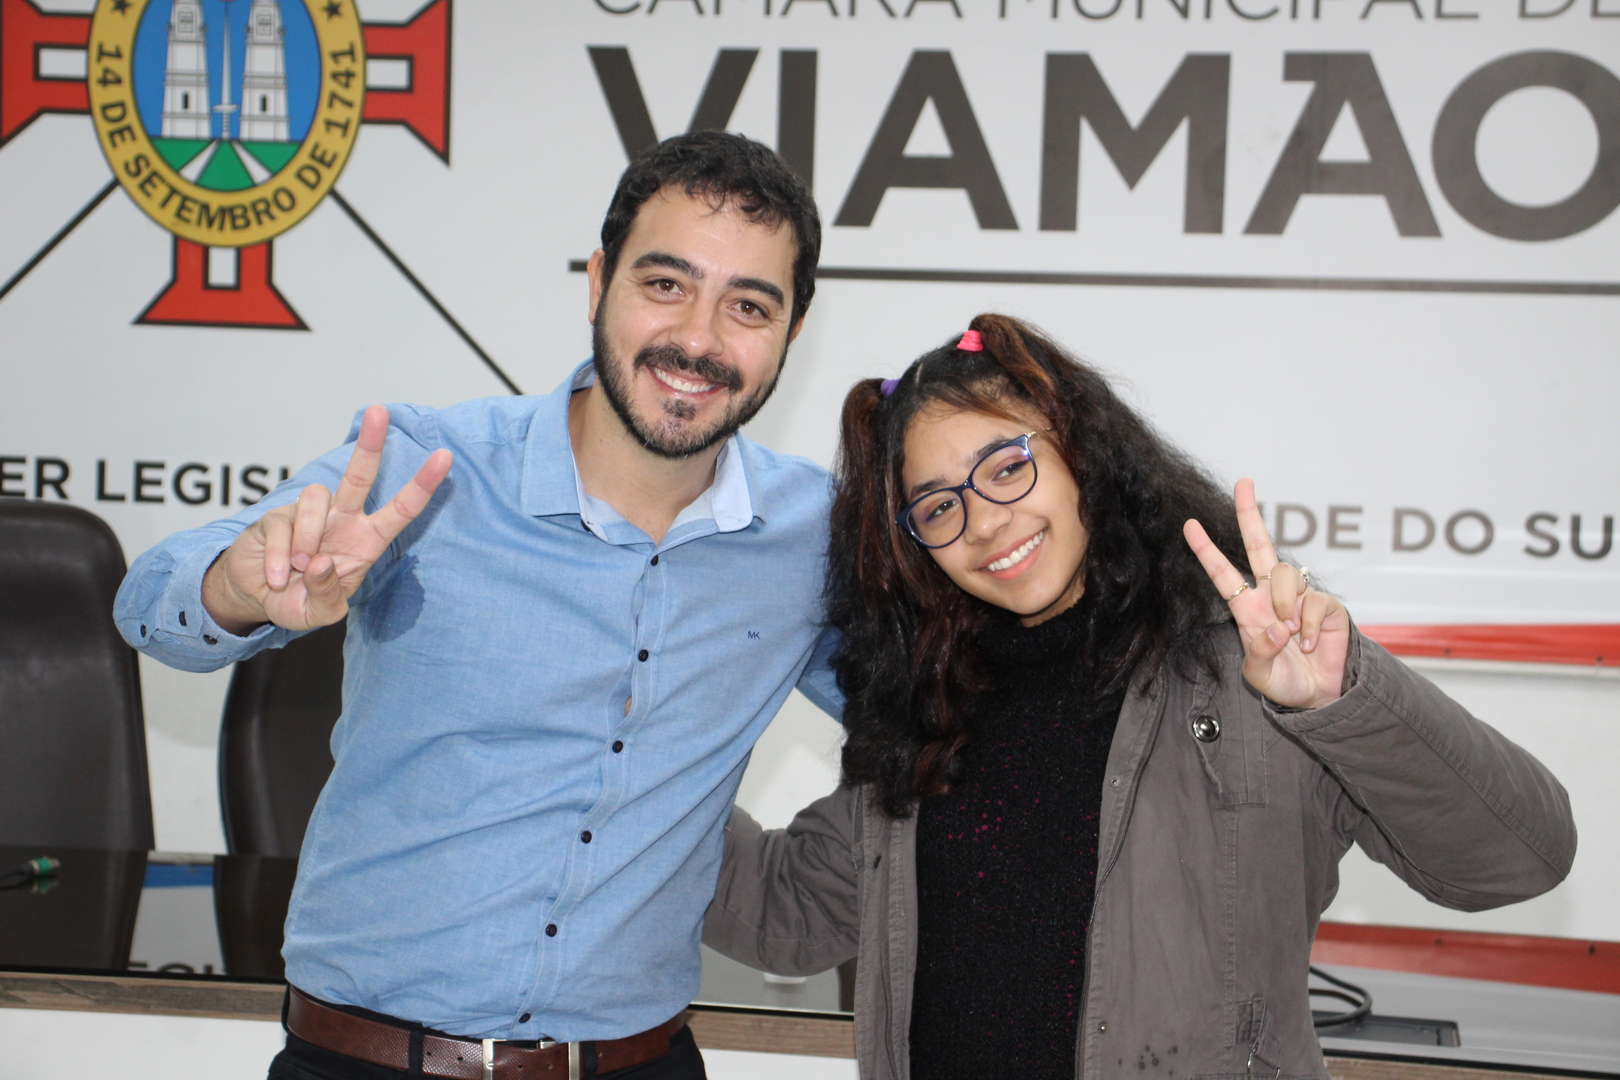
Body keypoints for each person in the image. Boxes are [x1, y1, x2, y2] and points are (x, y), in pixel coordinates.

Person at [114, 132, 839, 1080]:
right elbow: (150, 603)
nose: (698, 339)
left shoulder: (815, 539)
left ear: (792, 329)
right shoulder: (426, 469)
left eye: (748, 305)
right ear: (598, 283)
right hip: (367, 1061)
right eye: (665, 284)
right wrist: (235, 589)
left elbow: (943, 708)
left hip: (639, 1061)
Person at [702, 314, 1576, 1079]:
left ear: (1079, 448)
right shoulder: (930, 715)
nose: (985, 522)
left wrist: (1340, 702)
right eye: (937, 508)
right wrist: (650, 762)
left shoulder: (1258, 676)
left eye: (1005, 467)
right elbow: (788, 915)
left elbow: (1520, 857)